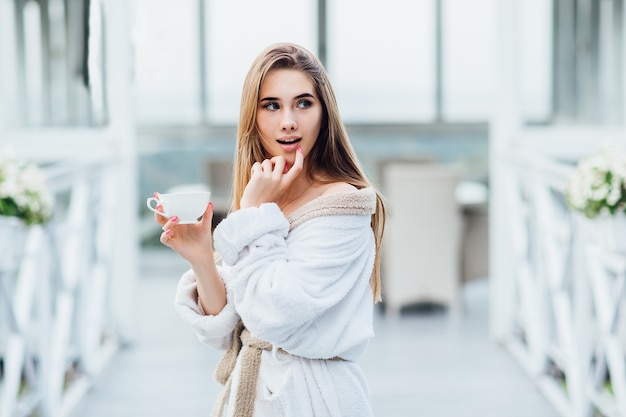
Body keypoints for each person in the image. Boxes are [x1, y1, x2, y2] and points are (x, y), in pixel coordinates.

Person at [154, 42, 386, 417]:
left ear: (325, 114)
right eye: (272, 105)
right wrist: (201, 259)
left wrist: (251, 213)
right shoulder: (268, 197)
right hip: (253, 395)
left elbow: (275, 312)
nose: (288, 121)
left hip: (314, 399)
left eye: (304, 103)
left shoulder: (343, 204)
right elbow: (229, 328)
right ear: (254, 117)